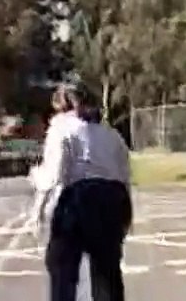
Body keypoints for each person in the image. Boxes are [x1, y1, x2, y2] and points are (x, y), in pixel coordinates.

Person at [28, 82, 133, 301]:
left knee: (62, 267)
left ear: (61, 107)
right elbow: (124, 176)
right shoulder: (111, 135)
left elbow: (54, 175)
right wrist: (127, 216)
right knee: (108, 272)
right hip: (113, 198)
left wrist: (37, 211)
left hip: (80, 199)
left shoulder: (61, 128)